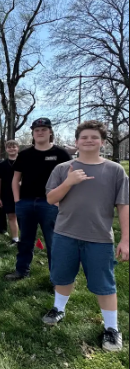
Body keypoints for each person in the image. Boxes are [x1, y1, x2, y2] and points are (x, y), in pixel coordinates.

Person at [41, 120, 129, 352]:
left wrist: (126, 239)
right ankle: (59, 309)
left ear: (103, 141)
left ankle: (111, 328)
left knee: (105, 284)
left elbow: (123, 205)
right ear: (76, 141)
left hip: (99, 237)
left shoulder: (114, 170)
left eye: (94, 137)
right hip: (64, 234)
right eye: (84, 137)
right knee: (62, 276)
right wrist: (70, 182)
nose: (89, 141)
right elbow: (51, 199)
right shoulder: (63, 169)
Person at [5, 118, 72, 281]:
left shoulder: (61, 154)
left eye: (43, 129)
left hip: (51, 204)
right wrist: (17, 201)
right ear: (33, 134)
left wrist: (59, 202)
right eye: (37, 130)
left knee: (53, 243)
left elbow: (69, 180)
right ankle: (21, 271)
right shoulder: (24, 155)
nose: (40, 132)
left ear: (50, 132)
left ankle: (56, 277)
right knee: (25, 241)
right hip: (26, 203)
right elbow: (15, 179)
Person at [0, 140, 20, 245]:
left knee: (24, 217)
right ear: (6, 149)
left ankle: (26, 238)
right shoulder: (2, 165)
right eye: (9, 147)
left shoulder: (24, 162)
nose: (12, 149)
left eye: (14, 146)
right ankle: (15, 238)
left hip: (23, 194)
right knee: (11, 216)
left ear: (17, 148)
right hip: (7, 194)